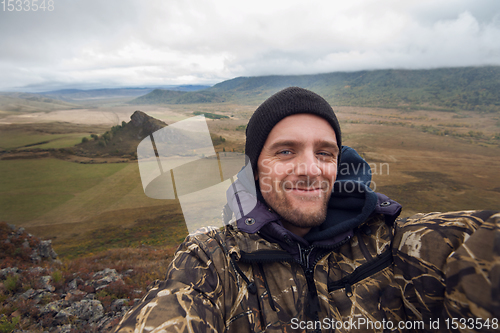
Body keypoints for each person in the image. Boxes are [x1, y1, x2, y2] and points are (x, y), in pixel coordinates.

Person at [114, 87, 499, 332]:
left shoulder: (395, 245)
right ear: (253, 167)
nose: (311, 169)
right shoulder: (213, 260)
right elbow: (174, 309)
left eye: (324, 153)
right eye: (285, 151)